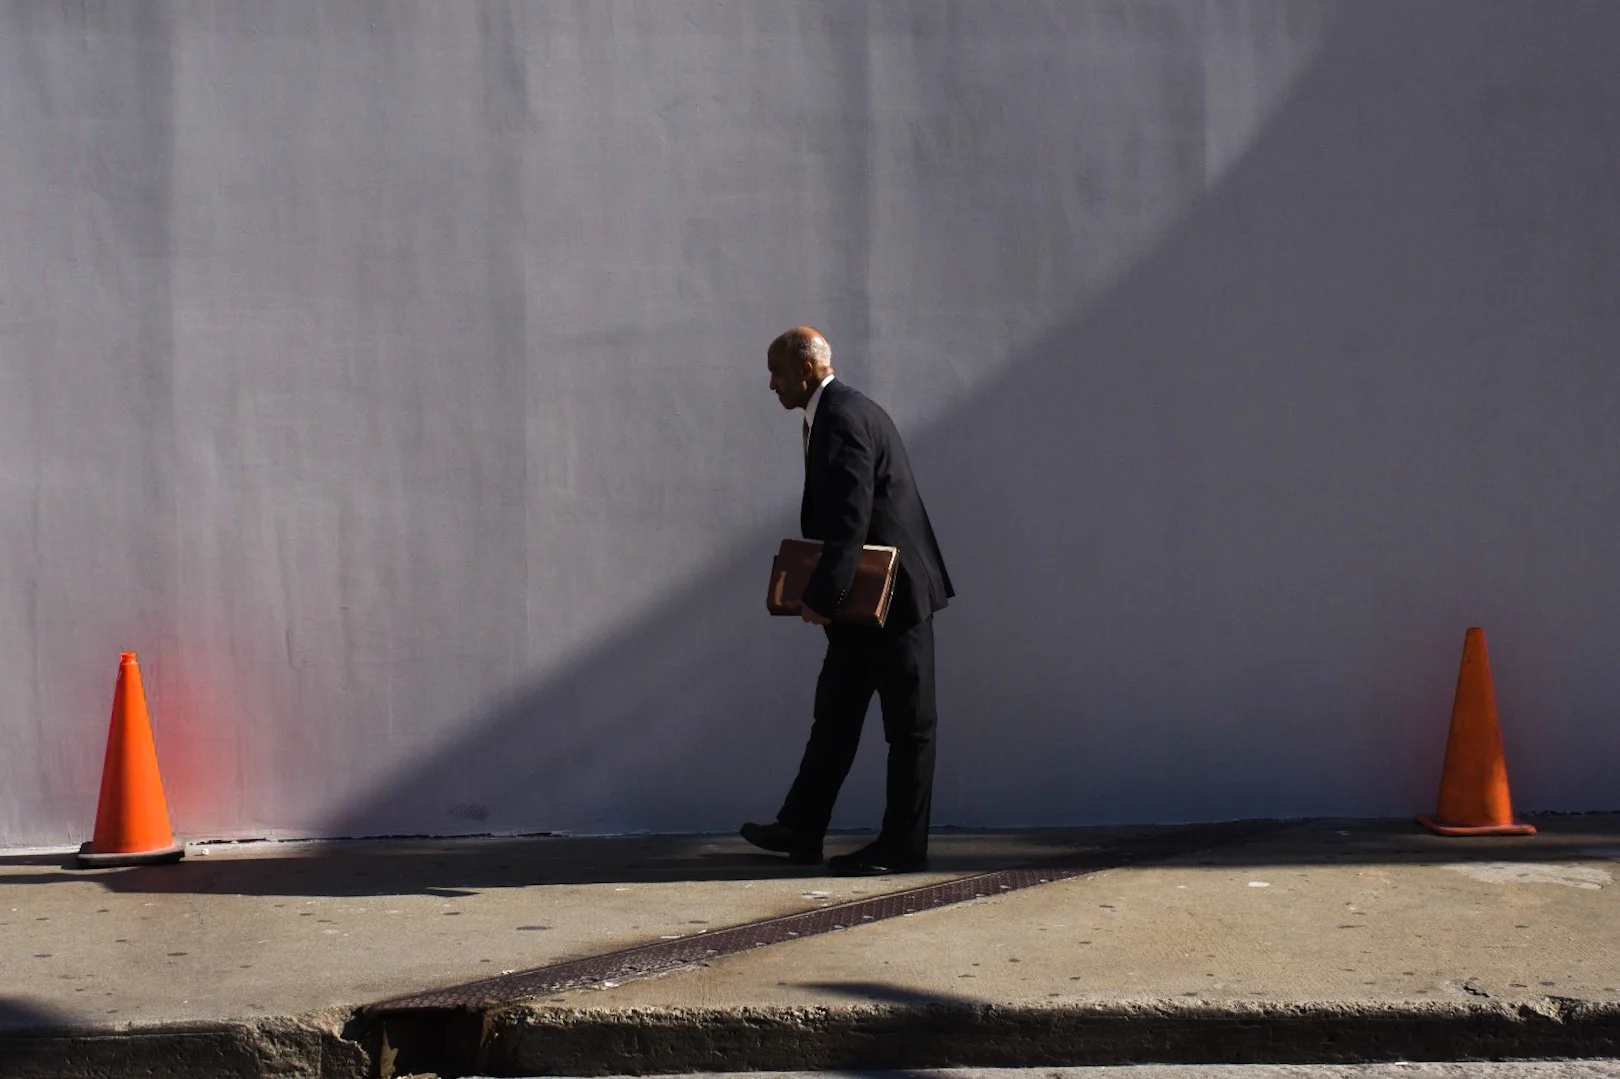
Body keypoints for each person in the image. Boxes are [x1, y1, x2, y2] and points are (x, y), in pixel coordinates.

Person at [741, 327, 954, 876]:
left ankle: (903, 846)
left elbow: (850, 516)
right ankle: (801, 828)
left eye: (777, 371)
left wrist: (824, 596)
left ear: (806, 369)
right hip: (868, 605)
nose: (771, 384)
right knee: (834, 715)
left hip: (894, 600)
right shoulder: (838, 411)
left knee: (910, 727)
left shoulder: (841, 415)